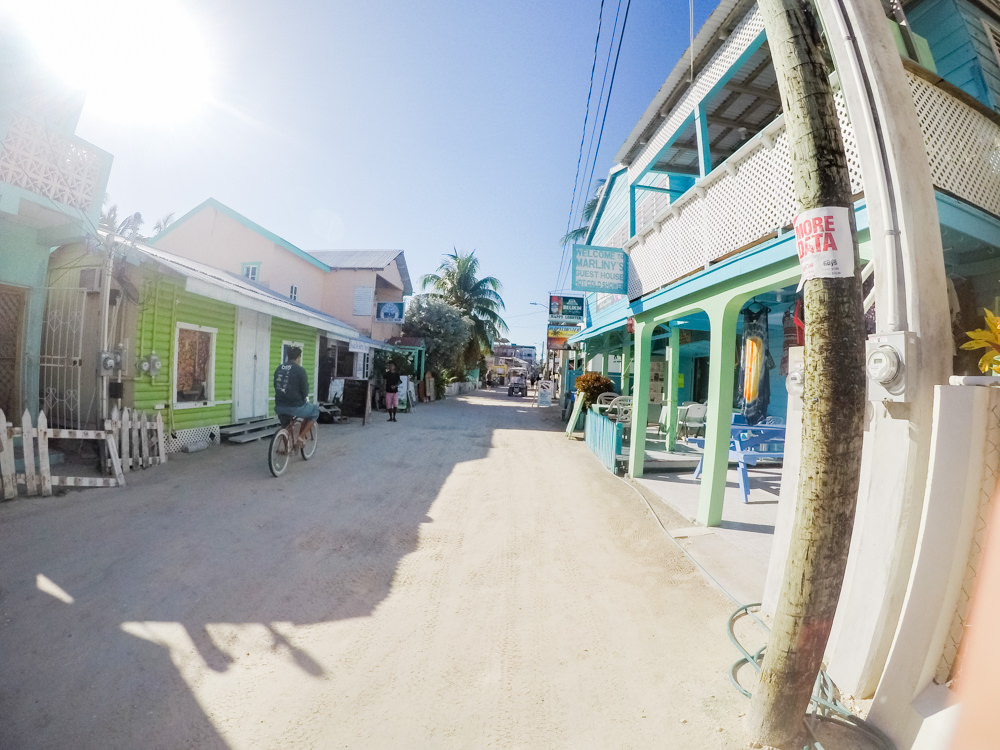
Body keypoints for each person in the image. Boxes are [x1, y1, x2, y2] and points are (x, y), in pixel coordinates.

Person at [273, 346, 319, 448]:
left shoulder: (279, 368)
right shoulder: (300, 370)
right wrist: (304, 398)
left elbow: (275, 386)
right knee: (315, 410)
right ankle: (301, 437)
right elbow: (304, 390)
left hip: (279, 406)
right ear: (298, 358)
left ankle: (286, 448)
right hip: (295, 407)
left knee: (285, 426)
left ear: (288, 357)